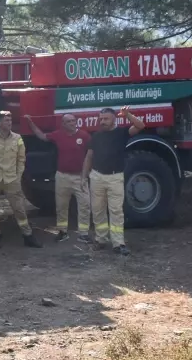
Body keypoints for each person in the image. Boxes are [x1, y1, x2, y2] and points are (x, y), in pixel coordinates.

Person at [82, 106, 145, 256]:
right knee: (98, 211)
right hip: (97, 177)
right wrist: (84, 176)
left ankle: (118, 243)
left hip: (115, 177)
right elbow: (89, 156)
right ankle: (101, 240)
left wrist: (128, 114)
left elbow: (140, 126)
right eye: (101, 119)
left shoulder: (122, 133)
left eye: (106, 119)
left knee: (116, 211)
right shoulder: (96, 136)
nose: (102, 121)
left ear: (114, 119)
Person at [0, 111, 42, 249]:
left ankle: (28, 236)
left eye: (10, 120)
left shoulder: (18, 139)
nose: (9, 123)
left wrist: (18, 176)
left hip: (12, 179)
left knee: (19, 209)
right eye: (6, 120)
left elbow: (21, 159)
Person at [26, 113, 92, 242]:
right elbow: (42, 136)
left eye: (74, 121)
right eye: (69, 121)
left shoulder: (84, 136)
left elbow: (90, 156)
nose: (73, 123)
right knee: (61, 206)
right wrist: (30, 122)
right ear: (63, 124)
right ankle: (63, 232)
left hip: (80, 177)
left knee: (84, 206)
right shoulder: (58, 135)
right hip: (62, 177)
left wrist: (86, 175)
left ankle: (83, 234)